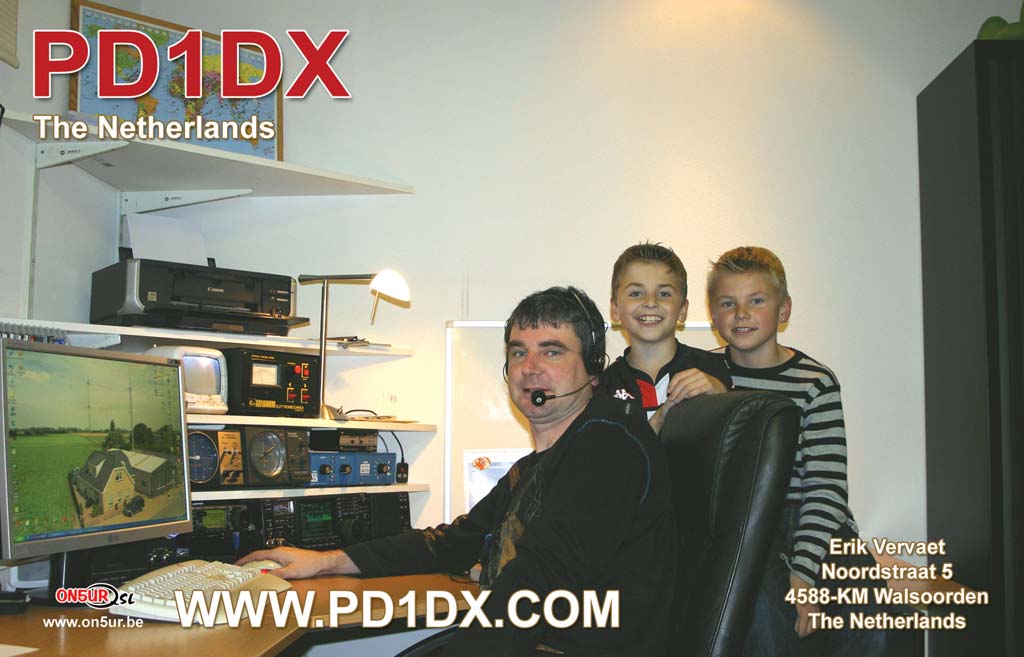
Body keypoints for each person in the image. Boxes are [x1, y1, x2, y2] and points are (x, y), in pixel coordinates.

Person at [239, 286, 676, 657]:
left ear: (593, 366)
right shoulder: (538, 465)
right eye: (519, 352)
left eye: (552, 351)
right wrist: (328, 561)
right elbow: (452, 542)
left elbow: (536, 585)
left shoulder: (608, 445)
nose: (530, 367)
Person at [706, 246, 885, 657]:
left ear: (783, 310)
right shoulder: (707, 376)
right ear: (713, 314)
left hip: (816, 518)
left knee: (868, 612)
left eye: (756, 301)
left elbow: (826, 488)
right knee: (765, 617)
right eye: (728, 303)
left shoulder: (815, 382)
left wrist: (804, 573)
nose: (741, 314)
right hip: (751, 523)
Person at [601, 242, 730, 433]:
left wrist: (722, 397)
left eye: (664, 293)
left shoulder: (713, 369)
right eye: (636, 293)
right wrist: (659, 419)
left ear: (683, 310)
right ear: (615, 309)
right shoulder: (604, 386)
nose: (650, 302)